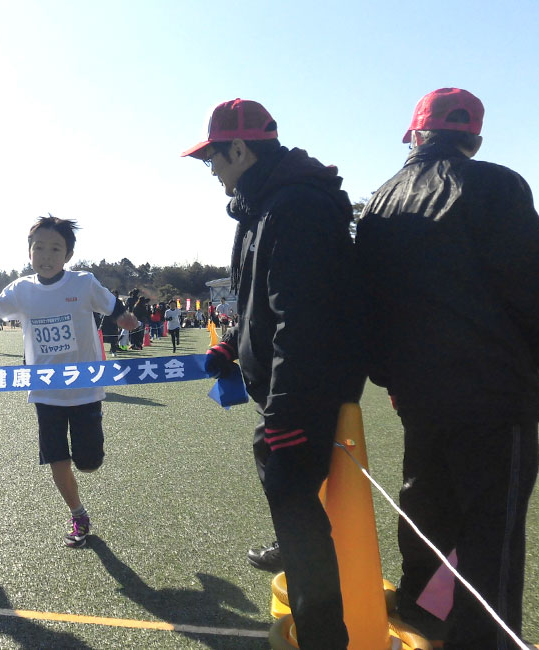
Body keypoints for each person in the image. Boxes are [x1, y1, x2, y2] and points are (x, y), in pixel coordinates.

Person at [356, 88, 539, 649]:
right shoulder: (497, 184)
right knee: (492, 527)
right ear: (474, 138)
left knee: (426, 505)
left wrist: (392, 375)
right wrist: (536, 357)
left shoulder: (382, 199)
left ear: (416, 135)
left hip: (418, 394)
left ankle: (426, 617)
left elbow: (368, 302)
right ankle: (482, 640)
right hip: (494, 393)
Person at [184, 99, 364, 649]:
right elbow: (266, 305)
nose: (211, 168)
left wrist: (285, 411)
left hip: (304, 391)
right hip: (294, 385)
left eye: (214, 156)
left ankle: (324, 637)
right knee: (294, 496)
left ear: (240, 148)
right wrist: (234, 345)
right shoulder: (268, 203)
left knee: (293, 499)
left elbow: (304, 318)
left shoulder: (294, 207)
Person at [0, 216, 137, 548]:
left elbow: (112, 305)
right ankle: (78, 514)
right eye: (38, 248)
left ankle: (86, 464)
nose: (46, 255)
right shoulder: (21, 290)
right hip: (45, 392)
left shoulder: (83, 283)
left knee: (88, 462)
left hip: (86, 388)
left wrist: (124, 317)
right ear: (29, 252)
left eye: (55, 248)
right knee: (57, 459)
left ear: (68, 255)